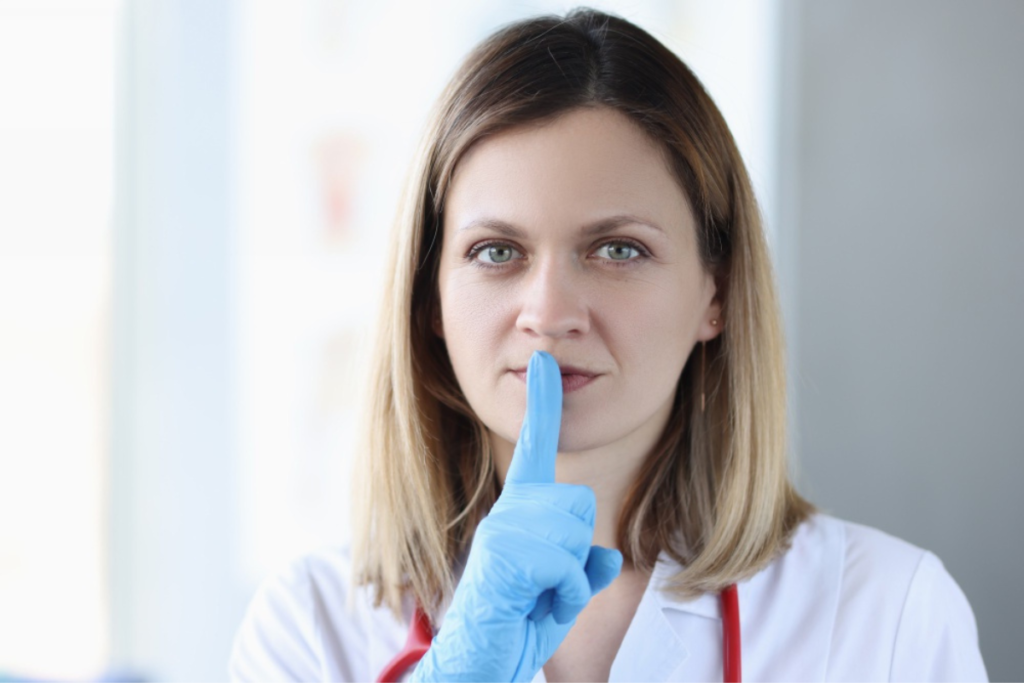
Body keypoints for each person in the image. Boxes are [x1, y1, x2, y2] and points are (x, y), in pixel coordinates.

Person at [229, 8, 987, 682]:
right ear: (429, 296)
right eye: (497, 252)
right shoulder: (310, 628)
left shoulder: (891, 618)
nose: (550, 313)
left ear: (714, 294)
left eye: (617, 250)